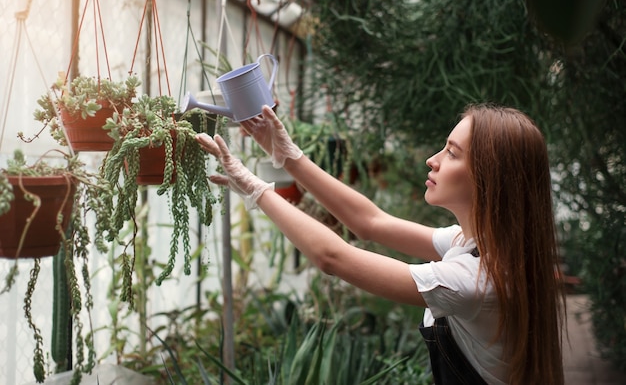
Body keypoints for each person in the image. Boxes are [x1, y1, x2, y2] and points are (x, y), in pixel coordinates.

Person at [195, 102, 566, 385]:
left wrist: (256, 190)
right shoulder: (475, 244)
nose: (432, 160)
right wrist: (291, 158)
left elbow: (333, 258)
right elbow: (369, 222)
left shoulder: (474, 279)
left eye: (452, 153)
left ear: (491, 177)